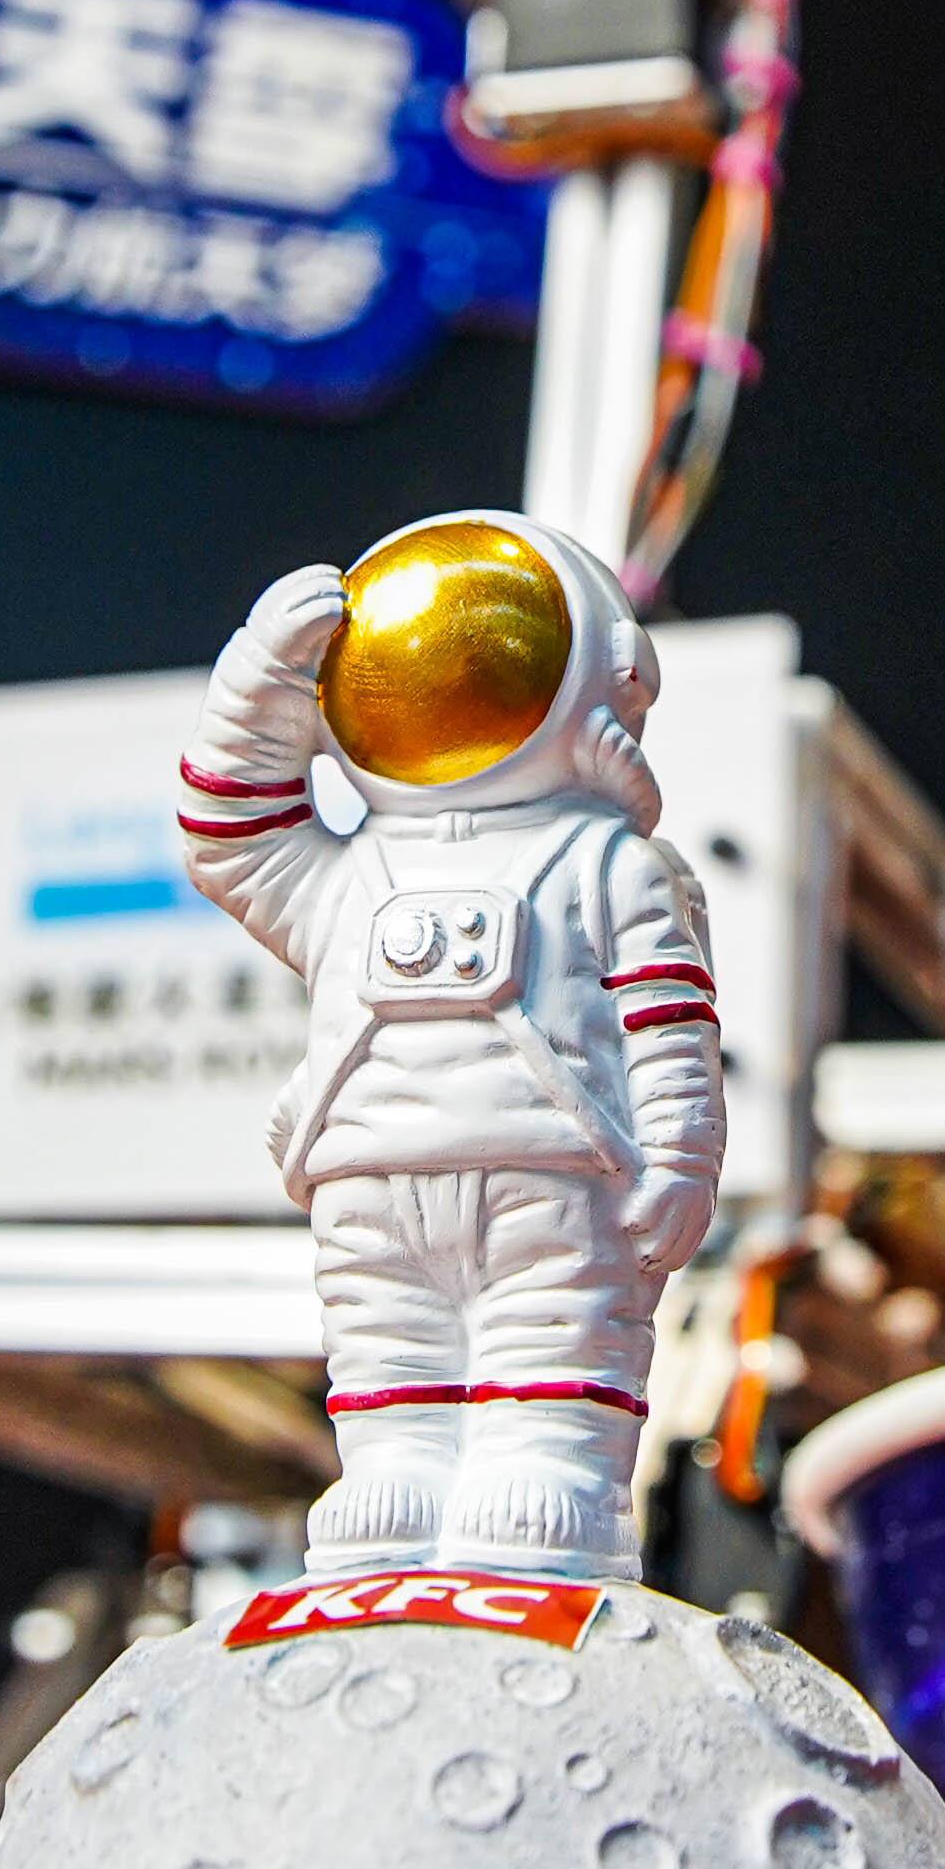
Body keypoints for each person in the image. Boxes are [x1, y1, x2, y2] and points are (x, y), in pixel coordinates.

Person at [178, 513, 725, 1566]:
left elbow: (667, 1023)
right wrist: (259, 689)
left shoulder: (609, 866)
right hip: (368, 1174)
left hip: (553, 1169)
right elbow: (229, 839)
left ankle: (552, 1466)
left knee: (554, 1328)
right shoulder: (346, 874)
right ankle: (392, 1470)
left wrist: (680, 1155)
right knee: (384, 1336)